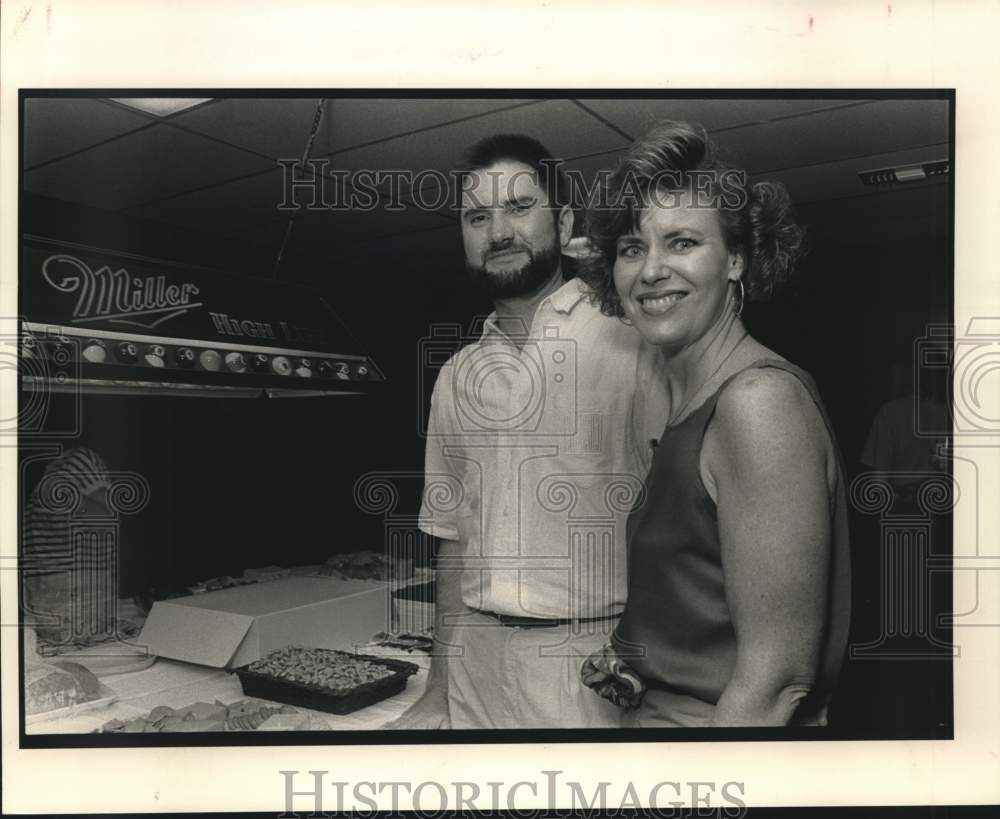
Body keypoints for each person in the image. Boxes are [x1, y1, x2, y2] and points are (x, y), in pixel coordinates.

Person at [578, 121, 851, 727]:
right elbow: (703, 607)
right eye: (631, 248)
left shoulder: (757, 401)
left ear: (736, 260)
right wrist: (636, 663)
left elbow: (777, 685)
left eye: (680, 243)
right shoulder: (693, 406)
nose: (649, 270)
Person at [388, 134, 654, 729]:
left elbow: (684, 523)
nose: (497, 231)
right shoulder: (457, 375)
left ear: (562, 224)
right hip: (475, 665)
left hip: (590, 662)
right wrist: (437, 691)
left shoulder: (631, 340)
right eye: (477, 216)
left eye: (517, 208)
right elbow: (451, 540)